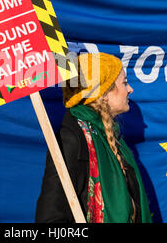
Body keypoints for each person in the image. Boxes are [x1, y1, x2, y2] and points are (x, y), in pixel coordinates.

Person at [35, 52, 152, 223]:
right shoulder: (73, 139)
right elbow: (50, 217)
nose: (130, 89)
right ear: (104, 93)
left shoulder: (110, 137)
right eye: (124, 83)